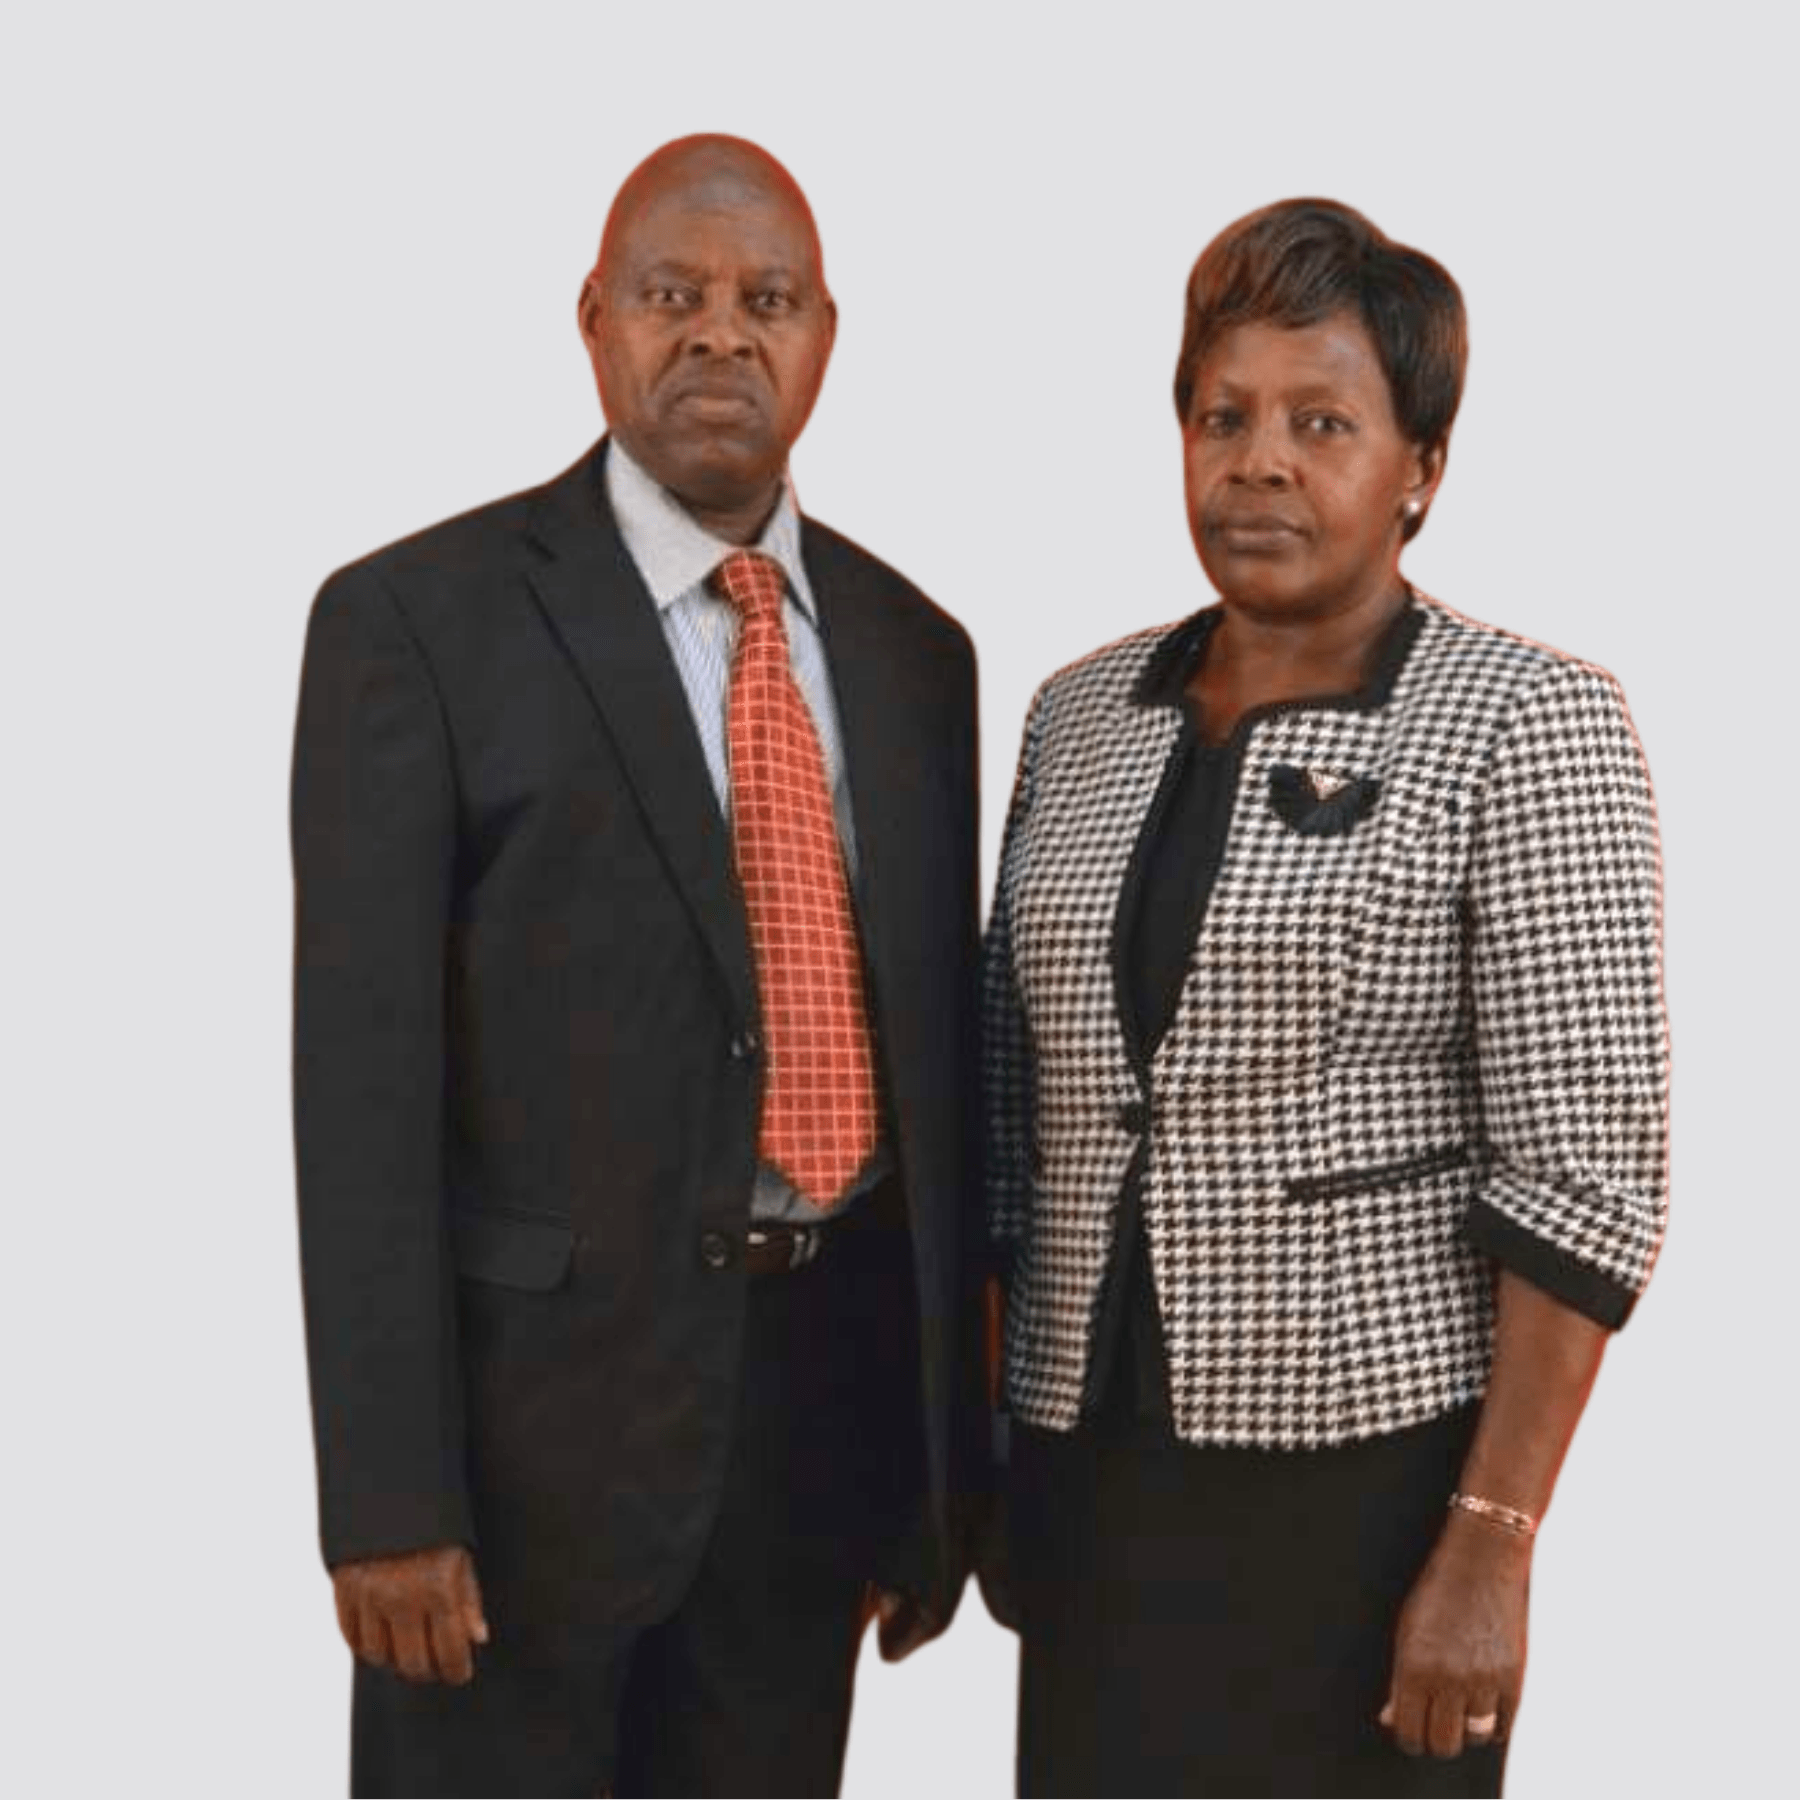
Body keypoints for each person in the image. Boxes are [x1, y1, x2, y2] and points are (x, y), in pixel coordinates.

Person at [291, 134, 982, 1798]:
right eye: (674, 293)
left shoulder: (918, 656)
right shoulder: (417, 625)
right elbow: (362, 1096)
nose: (721, 332)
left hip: (814, 1447)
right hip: (517, 1476)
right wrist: (389, 1498)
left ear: (826, 337)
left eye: (769, 300)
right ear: (595, 318)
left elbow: (944, 1081)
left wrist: (935, 1470)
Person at [980, 198, 1668, 1797]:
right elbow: (1013, 1113)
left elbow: (1584, 1178)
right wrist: (990, 1453)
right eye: (1222, 417)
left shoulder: (1529, 722)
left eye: (1321, 422)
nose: (1260, 463)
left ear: (1420, 464)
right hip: (1089, 1482)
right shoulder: (1081, 714)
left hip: (1371, 1494)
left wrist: (1491, 1543)